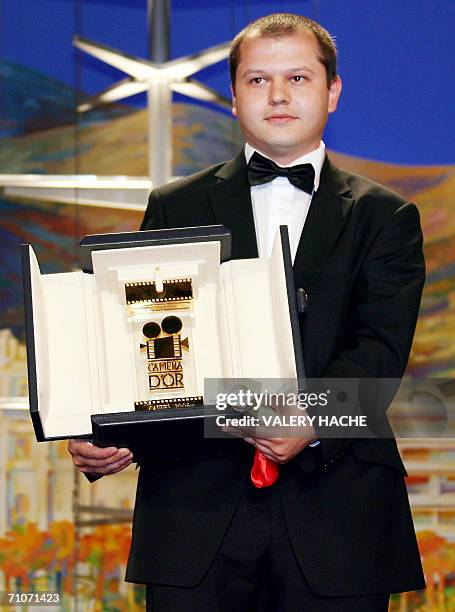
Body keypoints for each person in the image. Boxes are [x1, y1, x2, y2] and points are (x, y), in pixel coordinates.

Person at [68, 13, 426, 611]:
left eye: (299, 78)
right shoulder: (174, 205)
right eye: (258, 80)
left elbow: (379, 352)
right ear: (233, 97)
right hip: (194, 509)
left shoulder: (385, 217)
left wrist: (309, 419)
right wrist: (116, 434)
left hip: (337, 511)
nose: (279, 95)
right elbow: (151, 340)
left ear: (333, 92)